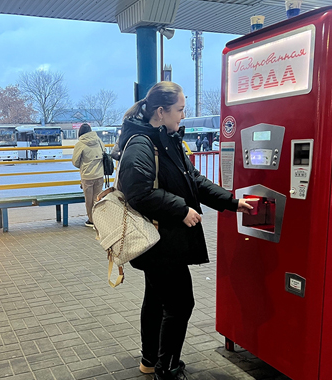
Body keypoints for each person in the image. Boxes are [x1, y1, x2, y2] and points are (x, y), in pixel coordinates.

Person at [117, 82, 252, 380]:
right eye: (179, 110)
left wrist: (232, 202)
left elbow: (194, 180)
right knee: (180, 303)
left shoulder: (168, 139)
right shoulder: (142, 142)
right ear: (161, 111)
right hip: (159, 243)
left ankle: (150, 360)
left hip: (164, 241)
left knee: (156, 299)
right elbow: (137, 192)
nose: (183, 116)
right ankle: (166, 369)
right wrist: (181, 209)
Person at [71, 123, 105, 228]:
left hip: (87, 176)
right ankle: (98, 220)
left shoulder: (80, 144)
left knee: (88, 200)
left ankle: (91, 220)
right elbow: (104, 153)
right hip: (99, 174)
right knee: (97, 198)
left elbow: (75, 162)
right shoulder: (98, 141)